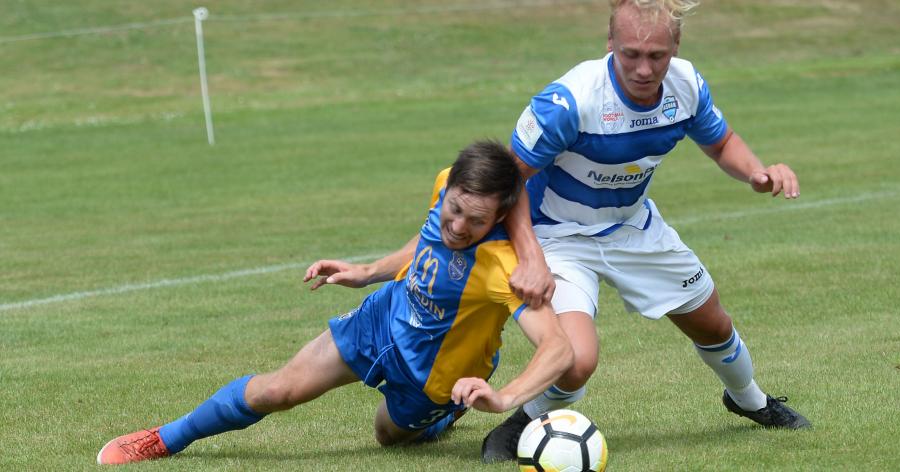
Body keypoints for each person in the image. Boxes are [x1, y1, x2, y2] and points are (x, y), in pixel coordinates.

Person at [96, 140, 573, 465]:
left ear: (500, 217)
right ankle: (163, 439)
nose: (458, 225)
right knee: (276, 390)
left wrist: (505, 397)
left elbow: (558, 348)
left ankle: (447, 412)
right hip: (380, 321)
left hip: (432, 378)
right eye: (454, 208)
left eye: (476, 220)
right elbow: (426, 241)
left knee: (388, 437)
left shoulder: (501, 267)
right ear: (449, 190)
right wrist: (367, 273)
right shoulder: (449, 181)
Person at [483, 0, 810, 462]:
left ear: (676, 47)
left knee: (713, 322)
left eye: (656, 56)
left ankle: (749, 400)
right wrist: (531, 256)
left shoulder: (687, 86)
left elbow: (721, 143)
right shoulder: (569, 102)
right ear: (610, 44)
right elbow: (506, 182)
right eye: (630, 54)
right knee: (577, 360)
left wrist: (756, 173)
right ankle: (525, 422)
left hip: (633, 226)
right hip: (559, 237)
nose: (642, 68)